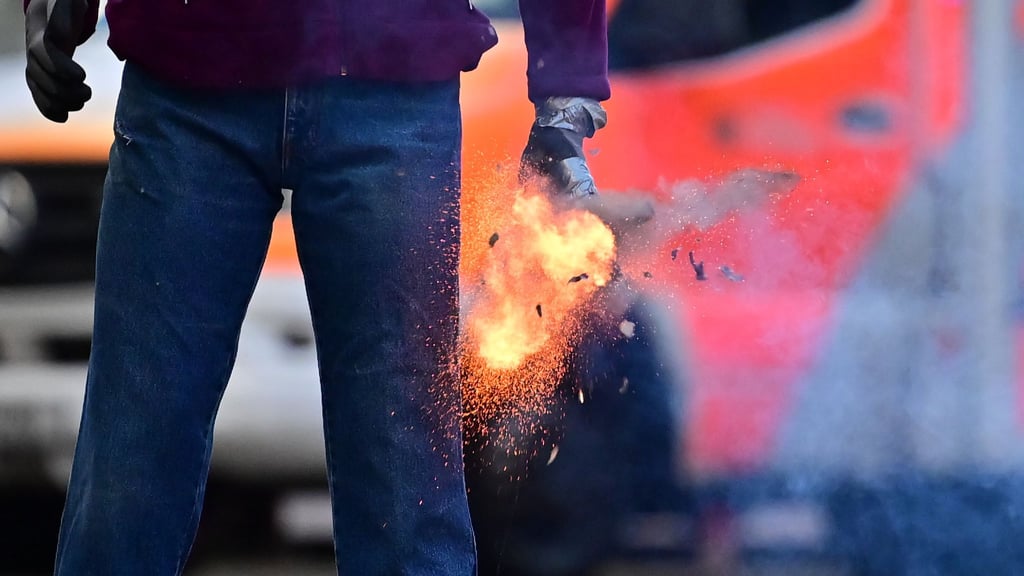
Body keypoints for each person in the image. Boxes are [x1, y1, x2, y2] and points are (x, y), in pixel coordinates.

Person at [23, 0, 609, 574]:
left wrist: (567, 94)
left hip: (379, 78)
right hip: (196, 76)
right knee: (133, 452)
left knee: (402, 467)